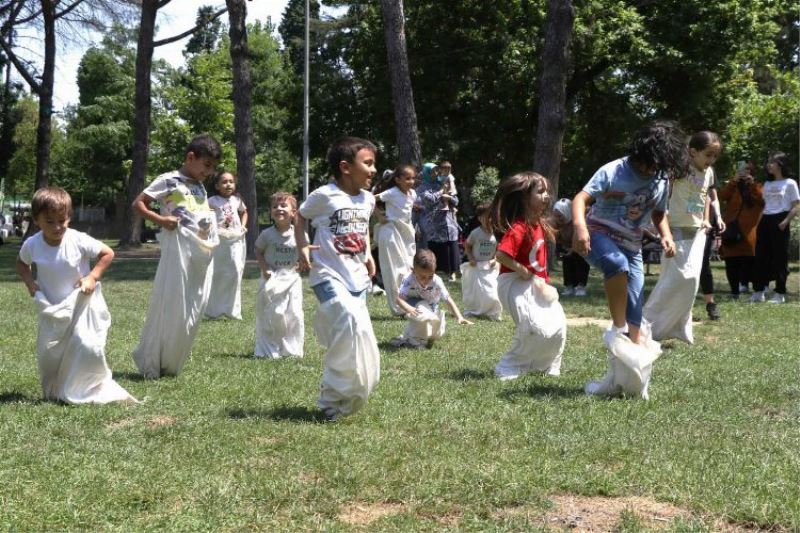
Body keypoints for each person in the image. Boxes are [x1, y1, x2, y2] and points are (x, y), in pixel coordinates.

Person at [573, 120, 686, 399]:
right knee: (616, 266)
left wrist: (666, 236)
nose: (651, 171)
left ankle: (625, 382)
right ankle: (618, 326)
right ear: (640, 153)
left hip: (632, 244)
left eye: (657, 166)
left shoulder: (661, 178)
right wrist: (579, 227)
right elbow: (581, 198)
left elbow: (659, 214)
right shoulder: (614, 170)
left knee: (637, 315)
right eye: (648, 164)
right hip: (599, 233)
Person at [15, 187, 137, 404]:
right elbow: (22, 264)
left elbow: (107, 253)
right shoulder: (32, 244)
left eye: (62, 220)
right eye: (50, 221)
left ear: (69, 217)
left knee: (85, 345)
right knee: (50, 355)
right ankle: (56, 389)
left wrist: (92, 277)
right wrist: (30, 284)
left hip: (81, 304)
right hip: (52, 308)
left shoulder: (77, 239)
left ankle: (86, 387)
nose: (57, 227)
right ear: (36, 220)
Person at [296, 136, 381, 422]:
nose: (373, 170)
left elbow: (363, 229)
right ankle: (331, 397)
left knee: (354, 334)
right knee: (348, 321)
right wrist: (303, 246)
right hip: (327, 274)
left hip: (357, 277)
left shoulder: (368, 199)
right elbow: (300, 216)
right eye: (367, 164)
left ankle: (345, 393)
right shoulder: (324, 195)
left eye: (374, 164)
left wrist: (368, 254)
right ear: (345, 167)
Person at [131, 133, 221, 378]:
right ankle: (154, 357)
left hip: (199, 251)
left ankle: (173, 358)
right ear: (191, 157)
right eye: (206, 165)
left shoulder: (200, 185)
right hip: (177, 249)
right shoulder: (168, 180)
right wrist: (161, 220)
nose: (209, 172)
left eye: (212, 167)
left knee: (195, 303)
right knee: (173, 303)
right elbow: (139, 203)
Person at [642, 131, 723, 343]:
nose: (711, 160)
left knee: (691, 282)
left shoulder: (709, 172)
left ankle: (678, 328)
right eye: (708, 155)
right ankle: (645, 325)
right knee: (674, 280)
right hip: (675, 228)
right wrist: (659, 219)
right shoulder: (680, 169)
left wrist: (707, 219)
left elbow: (704, 196)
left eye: (714, 156)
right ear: (692, 152)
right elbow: (661, 189)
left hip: (697, 231)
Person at [489, 172, 567, 380]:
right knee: (532, 326)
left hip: (537, 284)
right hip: (514, 282)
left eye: (547, 192)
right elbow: (502, 255)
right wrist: (523, 271)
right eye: (540, 192)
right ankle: (508, 366)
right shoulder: (519, 227)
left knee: (558, 325)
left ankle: (547, 365)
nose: (546, 196)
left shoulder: (539, 224)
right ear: (524, 197)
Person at [254, 192, 304, 359]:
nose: (279, 209)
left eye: (284, 206)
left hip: (292, 278)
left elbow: (304, 251)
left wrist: (302, 261)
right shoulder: (267, 234)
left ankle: (292, 350)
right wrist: (265, 269)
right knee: (274, 314)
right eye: (275, 206)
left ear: (293, 212)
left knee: (295, 314)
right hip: (272, 279)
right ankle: (270, 348)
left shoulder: (299, 234)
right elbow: (258, 251)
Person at [390, 249, 473, 348]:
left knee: (436, 333)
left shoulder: (437, 281)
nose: (426, 280)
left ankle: (406, 338)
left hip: (432, 308)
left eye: (430, 276)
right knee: (422, 316)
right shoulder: (409, 279)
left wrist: (459, 317)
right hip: (415, 305)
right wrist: (409, 309)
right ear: (413, 271)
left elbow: (448, 299)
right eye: (422, 277)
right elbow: (398, 300)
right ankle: (416, 342)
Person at [750, 152, 800, 303]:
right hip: (765, 220)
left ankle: (780, 293)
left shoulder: (790, 183)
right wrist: (758, 224)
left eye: (772, 162)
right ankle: (759, 291)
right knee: (760, 257)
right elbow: (765, 206)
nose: (768, 165)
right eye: (768, 162)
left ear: (780, 165)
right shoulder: (767, 184)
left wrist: (785, 221)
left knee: (780, 258)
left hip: (780, 220)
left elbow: (796, 205)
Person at [373, 164, 417, 315]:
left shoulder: (413, 194)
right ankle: (398, 308)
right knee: (393, 270)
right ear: (398, 180)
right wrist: (379, 216)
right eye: (407, 178)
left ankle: (408, 302)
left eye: (413, 178)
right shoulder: (391, 192)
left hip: (406, 234)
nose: (411, 181)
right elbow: (370, 199)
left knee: (408, 267)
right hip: (391, 232)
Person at [205, 171, 248, 320]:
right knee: (217, 273)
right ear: (217, 185)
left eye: (231, 181)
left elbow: (244, 212)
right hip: (219, 240)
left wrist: (243, 226)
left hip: (235, 239)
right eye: (224, 182)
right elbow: (204, 215)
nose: (228, 184)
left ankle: (232, 311)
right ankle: (212, 310)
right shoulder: (212, 200)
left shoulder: (237, 200)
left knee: (236, 271)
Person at [718, 159, 764, 299]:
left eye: (747, 170)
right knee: (731, 261)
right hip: (732, 229)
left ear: (752, 172)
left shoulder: (757, 186)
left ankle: (755, 289)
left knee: (749, 261)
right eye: (742, 170)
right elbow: (721, 196)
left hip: (749, 231)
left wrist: (752, 184)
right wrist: (733, 182)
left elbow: (763, 200)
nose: (744, 173)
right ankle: (734, 292)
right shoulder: (733, 186)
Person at [416, 162, 461, 281]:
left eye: (437, 171)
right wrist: (442, 191)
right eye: (433, 171)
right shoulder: (422, 187)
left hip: (449, 222)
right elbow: (429, 200)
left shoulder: (441, 182)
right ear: (426, 173)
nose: (436, 173)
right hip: (433, 225)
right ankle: (435, 272)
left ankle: (452, 272)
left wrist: (450, 198)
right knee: (436, 248)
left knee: (451, 246)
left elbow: (456, 201)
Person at [460, 201, 502, 320]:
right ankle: (474, 310)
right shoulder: (476, 233)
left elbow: (499, 248)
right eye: (486, 217)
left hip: (490, 267)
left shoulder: (497, 232)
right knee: (477, 293)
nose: (489, 219)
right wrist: (471, 258)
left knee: (492, 292)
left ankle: (493, 312)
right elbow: (467, 245)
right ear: (480, 218)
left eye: (491, 216)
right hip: (477, 267)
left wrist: (495, 258)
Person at [552, 198, 590, 297]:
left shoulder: (577, 221)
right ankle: (569, 286)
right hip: (567, 247)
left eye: (560, 216)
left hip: (580, 246)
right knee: (567, 265)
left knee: (580, 264)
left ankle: (581, 287)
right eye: (556, 216)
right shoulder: (557, 223)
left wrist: (572, 249)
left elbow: (580, 237)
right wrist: (561, 248)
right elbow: (557, 237)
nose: (558, 219)